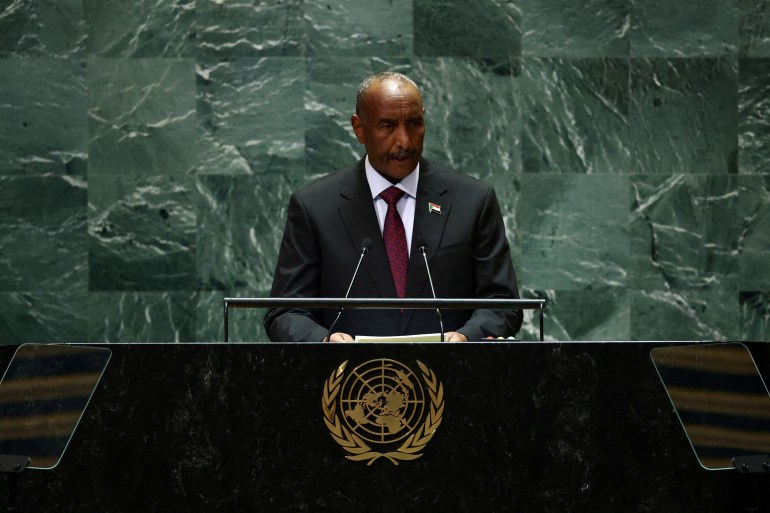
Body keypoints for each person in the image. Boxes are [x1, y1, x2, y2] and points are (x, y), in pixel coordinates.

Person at [264, 72, 522, 342]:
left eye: (414, 123)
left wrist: (467, 336)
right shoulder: (315, 208)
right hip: (352, 380)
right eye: (388, 126)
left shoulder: (472, 202)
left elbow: (502, 302)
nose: (405, 142)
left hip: (451, 375)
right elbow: (286, 312)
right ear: (359, 128)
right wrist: (325, 341)